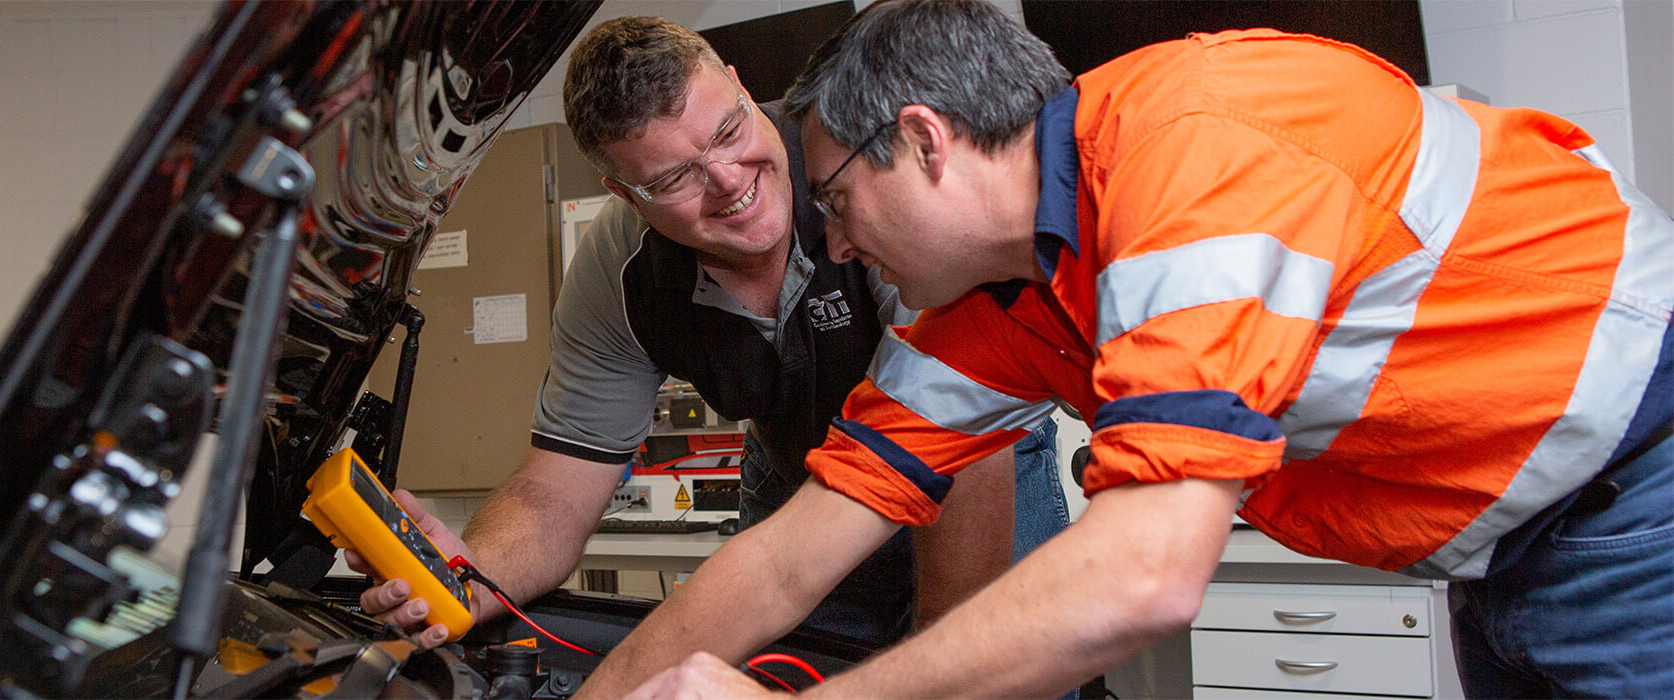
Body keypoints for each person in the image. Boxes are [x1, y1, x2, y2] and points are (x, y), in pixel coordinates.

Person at [584, 1, 1674, 697]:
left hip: (1637, 502)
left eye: (833, 199)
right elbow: (785, 553)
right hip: (1503, 558)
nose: (829, 239)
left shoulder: (1187, 154)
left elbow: (1145, 575)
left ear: (920, 141)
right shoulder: (997, 301)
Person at [351, 15, 1072, 651]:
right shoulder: (618, 275)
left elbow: (965, 441)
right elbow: (555, 491)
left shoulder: (862, 174)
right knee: (798, 674)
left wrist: (948, 665)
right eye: (674, 178)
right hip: (803, 470)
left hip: (978, 457)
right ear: (625, 195)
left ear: (737, 83)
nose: (728, 181)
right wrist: (469, 578)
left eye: (729, 130)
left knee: (997, 663)